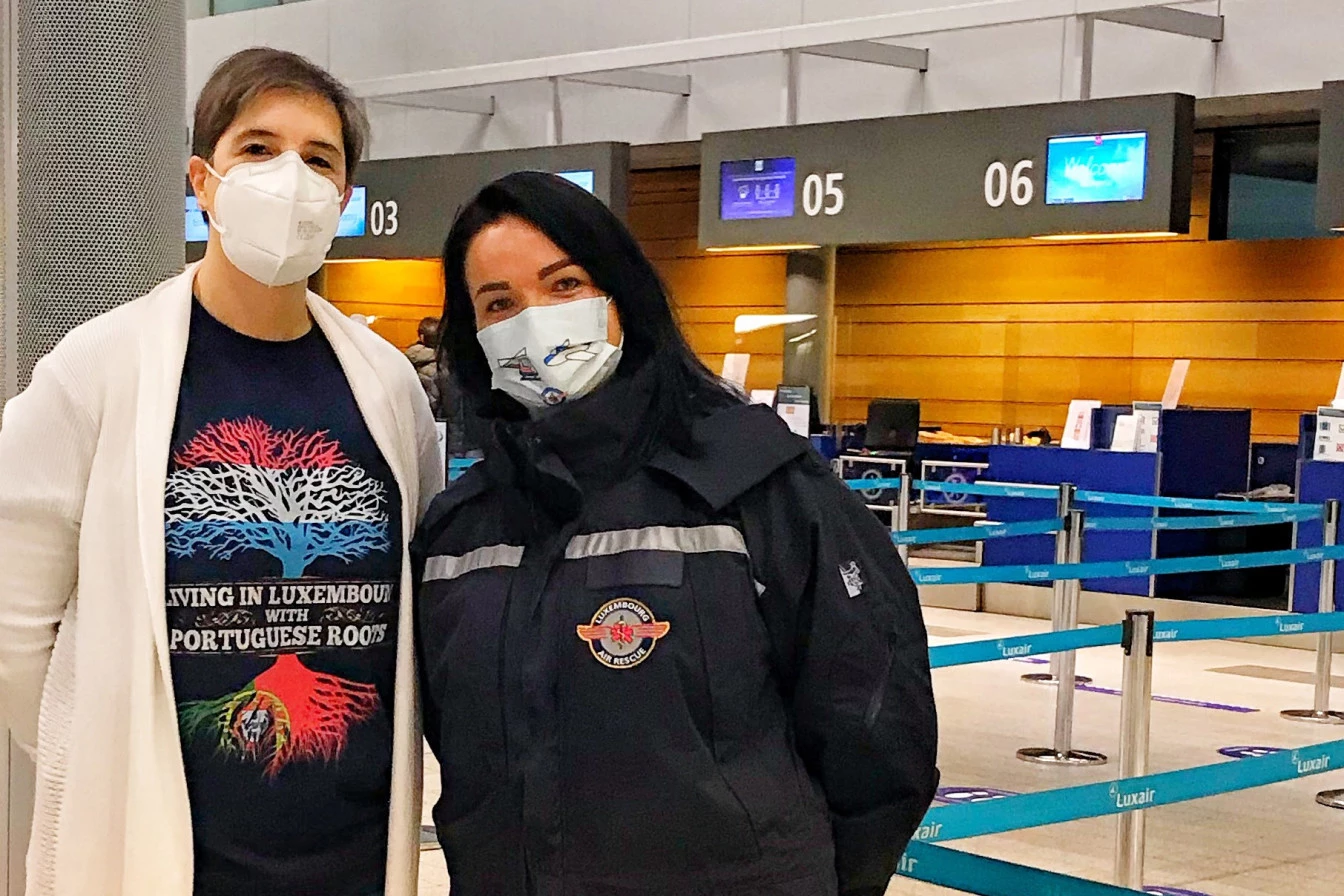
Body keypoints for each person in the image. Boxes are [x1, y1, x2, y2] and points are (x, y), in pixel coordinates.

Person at [413, 171, 939, 896]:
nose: (533, 318)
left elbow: (876, 731)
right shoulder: (458, 530)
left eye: (564, 285)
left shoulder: (757, 484)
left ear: (621, 295)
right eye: (499, 303)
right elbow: (463, 744)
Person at [0, 48, 441, 896]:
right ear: (202, 179)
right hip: (160, 851)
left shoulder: (386, 387)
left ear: (342, 202)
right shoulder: (99, 368)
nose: (290, 177)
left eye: (319, 160)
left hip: (351, 852)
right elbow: (15, 619)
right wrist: (100, 743)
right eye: (258, 148)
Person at [405, 316, 442, 414]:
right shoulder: (449, 361)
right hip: (442, 418)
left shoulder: (406, 360)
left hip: (416, 414)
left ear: (421, 337)